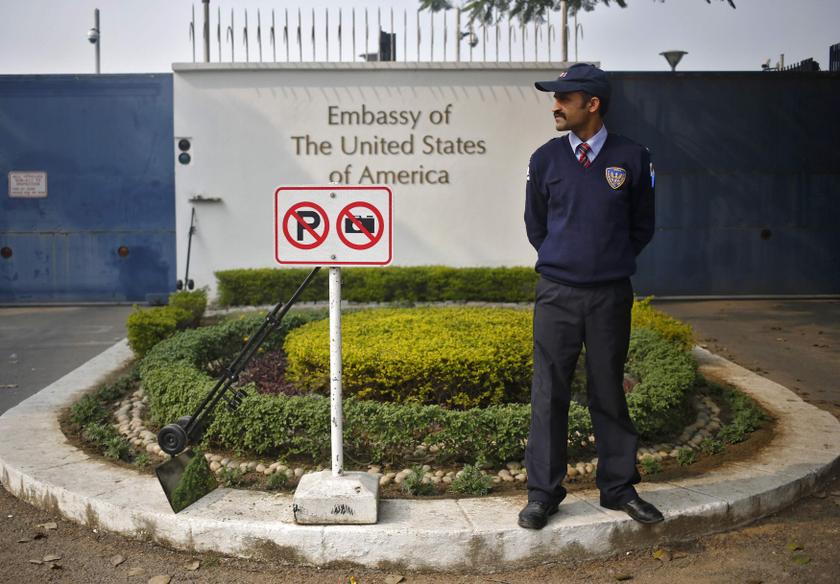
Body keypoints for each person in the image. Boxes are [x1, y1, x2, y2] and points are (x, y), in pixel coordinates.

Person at [519, 63, 663, 529]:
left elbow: (642, 226)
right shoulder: (545, 159)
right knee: (549, 394)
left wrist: (605, 263)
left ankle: (618, 488)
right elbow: (536, 226)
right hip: (557, 294)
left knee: (608, 389)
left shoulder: (634, 157)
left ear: (592, 104)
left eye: (564, 97)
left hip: (610, 296)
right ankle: (543, 493)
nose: (555, 105)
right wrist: (567, 260)